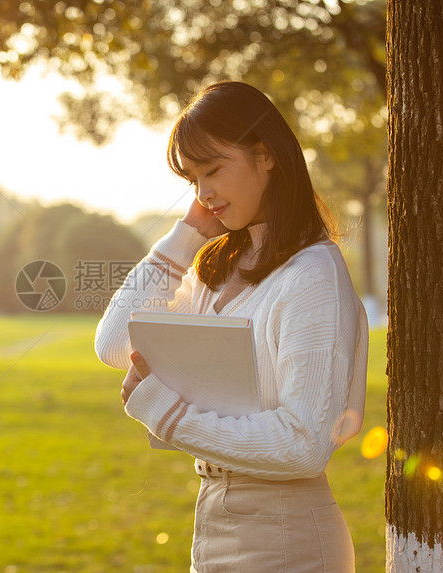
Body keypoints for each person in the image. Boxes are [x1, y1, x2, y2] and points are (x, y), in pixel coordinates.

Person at [94, 81, 368, 573]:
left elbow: (305, 445)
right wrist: (187, 234)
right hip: (215, 523)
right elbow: (115, 343)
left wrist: (168, 414)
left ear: (265, 155)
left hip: (289, 542)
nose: (203, 193)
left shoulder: (312, 276)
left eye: (213, 169)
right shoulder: (215, 269)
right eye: (193, 179)